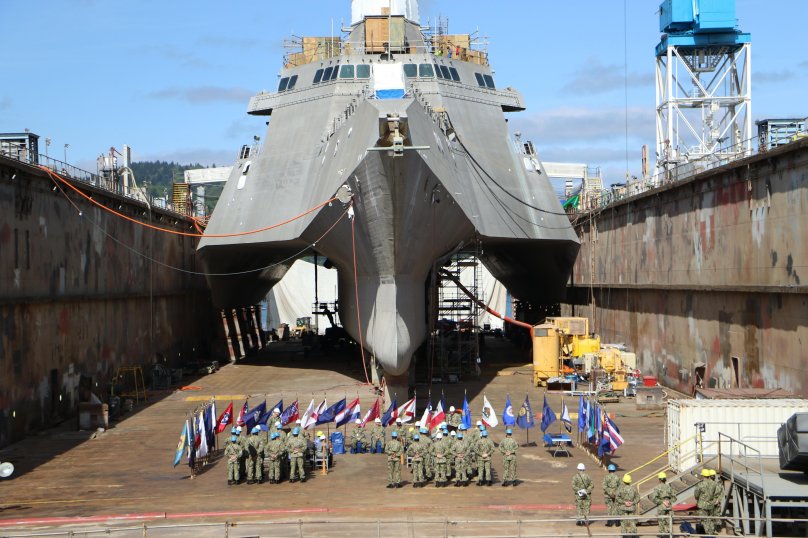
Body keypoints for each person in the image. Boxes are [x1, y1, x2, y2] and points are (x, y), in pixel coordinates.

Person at [650, 472, 676, 537]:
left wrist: (662, 502)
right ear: (665, 479)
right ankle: (670, 535)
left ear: (659, 479)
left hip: (661, 507)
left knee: (661, 522)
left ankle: (662, 535)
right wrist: (669, 501)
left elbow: (654, 498)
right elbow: (674, 497)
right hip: (669, 506)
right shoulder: (669, 487)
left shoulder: (657, 488)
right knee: (669, 522)